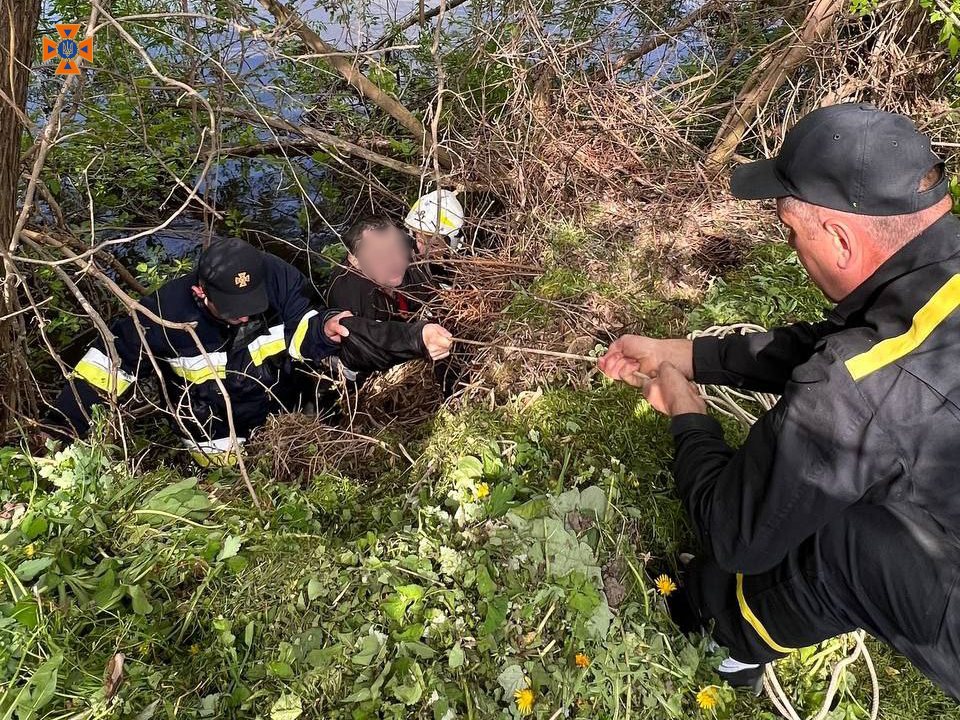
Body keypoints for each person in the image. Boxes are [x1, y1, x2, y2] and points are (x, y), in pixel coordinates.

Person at [600, 103, 960, 701]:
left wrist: (688, 411)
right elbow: (846, 344)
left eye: (792, 234)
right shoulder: (930, 281)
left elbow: (736, 531)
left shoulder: (851, 393)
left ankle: (725, 637)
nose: (792, 247)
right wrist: (683, 352)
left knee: (845, 541)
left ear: (841, 240)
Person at [47, 237, 452, 465]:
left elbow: (321, 332)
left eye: (251, 308)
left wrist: (415, 338)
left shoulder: (276, 277)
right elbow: (103, 372)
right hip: (212, 430)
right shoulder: (162, 315)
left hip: (284, 411)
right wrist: (58, 443)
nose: (244, 319)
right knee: (227, 487)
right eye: (234, 311)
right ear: (200, 293)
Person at [325, 215, 455, 386]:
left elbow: (426, 292)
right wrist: (417, 340)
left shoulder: (405, 259)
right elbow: (367, 347)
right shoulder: (350, 294)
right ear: (355, 260)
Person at [404, 189, 466, 288]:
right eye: (420, 241)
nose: (425, 251)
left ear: (452, 243)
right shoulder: (403, 268)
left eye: (434, 245)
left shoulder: (461, 270)